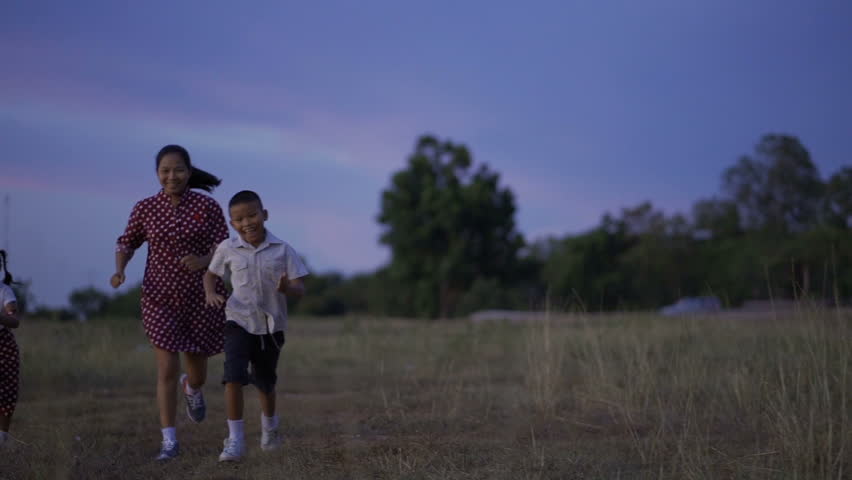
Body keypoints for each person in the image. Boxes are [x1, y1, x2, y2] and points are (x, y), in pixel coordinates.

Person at [111, 145, 229, 461]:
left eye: (177, 169)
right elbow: (127, 241)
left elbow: (225, 247)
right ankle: (169, 443)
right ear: (157, 174)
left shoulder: (207, 206)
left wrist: (204, 259)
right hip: (158, 298)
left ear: (188, 172)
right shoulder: (146, 208)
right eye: (165, 170)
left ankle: (191, 388)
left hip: (202, 297)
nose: (171, 176)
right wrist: (120, 269)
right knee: (165, 368)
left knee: (198, 372)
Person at [204, 190, 308, 462]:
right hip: (237, 320)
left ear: (265, 215)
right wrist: (210, 293)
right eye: (239, 219)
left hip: (271, 327)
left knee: (265, 382)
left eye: (252, 215)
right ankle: (235, 441)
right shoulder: (227, 248)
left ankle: (270, 428)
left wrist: (288, 287)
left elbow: (300, 288)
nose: (247, 222)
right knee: (233, 376)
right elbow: (210, 273)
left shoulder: (283, 249)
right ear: (232, 224)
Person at [0, 250, 20, 447]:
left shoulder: (5, 292)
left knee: (6, 391)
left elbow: (14, 321)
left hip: (3, 345)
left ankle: (2, 437)